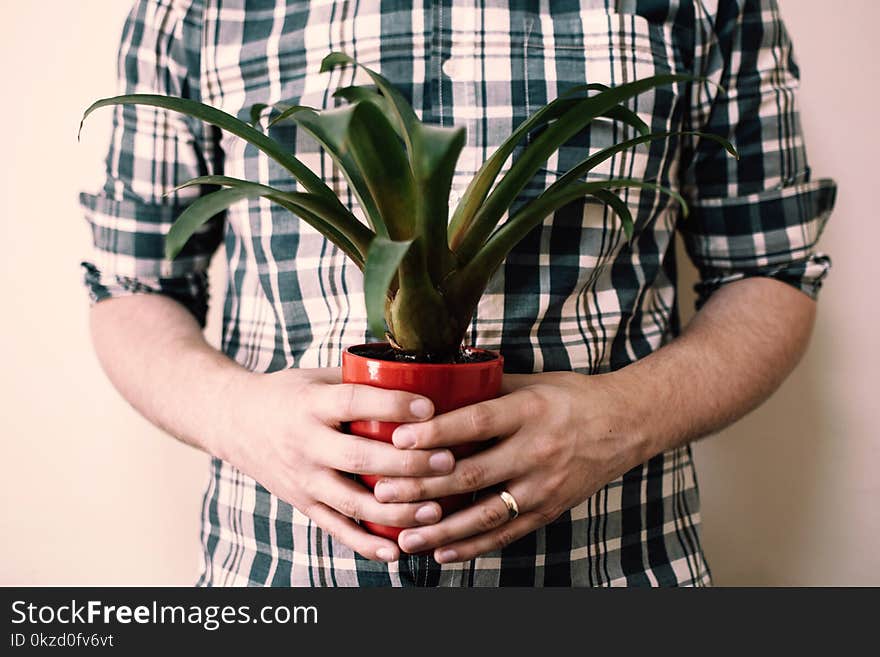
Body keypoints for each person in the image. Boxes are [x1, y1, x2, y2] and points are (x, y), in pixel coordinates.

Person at [81, 0, 835, 586]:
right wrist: (242, 419)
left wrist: (617, 422)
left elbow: (771, 274)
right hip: (279, 573)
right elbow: (132, 286)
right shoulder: (194, 8)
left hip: (614, 566)